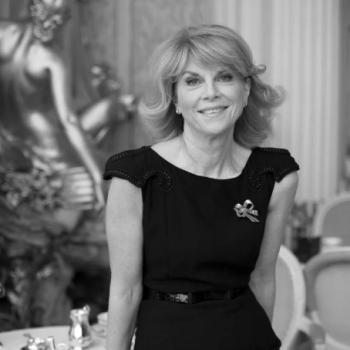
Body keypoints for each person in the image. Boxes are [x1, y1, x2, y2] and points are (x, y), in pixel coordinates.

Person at [103, 24, 299, 350]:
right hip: (165, 339)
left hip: (248, 336)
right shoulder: (135, 176)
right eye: (193, 81)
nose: (211, 92)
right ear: (175, 99)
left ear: (246, 90)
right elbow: (126, 290)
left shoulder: (275, 175)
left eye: (225, 77)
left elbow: (263, 277)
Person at [0, 0, 116, 212]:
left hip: (9, 143)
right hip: (45, 142)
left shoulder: (4, 31)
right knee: (114, 170)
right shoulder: (53, 59)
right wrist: (97, 174)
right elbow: (69, 120)